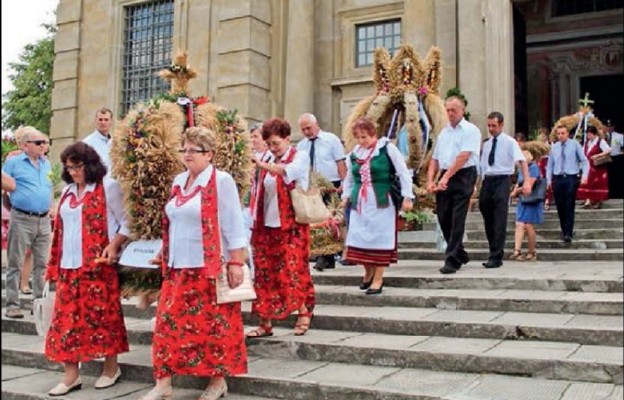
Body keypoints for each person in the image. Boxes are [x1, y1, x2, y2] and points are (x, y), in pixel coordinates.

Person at [138, 127, 248, 400]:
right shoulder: (179, 181)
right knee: (166, 326)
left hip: (208, 267)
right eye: (184, 149)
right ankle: (163, 385)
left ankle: (217, 382)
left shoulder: (221, 181)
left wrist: (236, 262)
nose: (187, 155)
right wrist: (164, 250)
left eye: (193, 150)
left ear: (209, 154)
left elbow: (234, 224)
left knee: (213, 327)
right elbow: (175, 221)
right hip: (177, 267)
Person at [44, 142, 129, 396]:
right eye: (69, 168)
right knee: (66, 322)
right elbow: (60, 230)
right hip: (69, 268)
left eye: (77, 166)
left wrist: (114, 245)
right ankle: (71, 376)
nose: (73, 172)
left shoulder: (108, 188)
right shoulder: (68, 191)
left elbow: (128, 221)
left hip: (98, 267)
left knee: (105, 318)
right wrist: (52, 263)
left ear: (89, 165)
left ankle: (111, 368)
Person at [247, 117, 315, 338]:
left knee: (291, 270)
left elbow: (287, 172)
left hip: (291, 226)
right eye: (269, 144)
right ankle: (264, 321)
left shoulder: (299, 156)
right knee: (265, 273)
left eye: (276, 143)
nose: (272, 148)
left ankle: (303, 311)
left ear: (287, 138)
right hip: (267, 225)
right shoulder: (267, 157)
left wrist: (262, 164)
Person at [341, 117, 414, 294]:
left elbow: (403, 173)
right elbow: (350, 178)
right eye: (358, 137)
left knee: (379, 237)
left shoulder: (387, 148)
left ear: (373, 134)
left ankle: (378, 278)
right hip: (360, 202)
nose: (361, 141)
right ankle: (368, 272)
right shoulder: (354, 154)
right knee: (360, 237)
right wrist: (345, 196)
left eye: (364, 137)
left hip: (382, 200)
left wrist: (407, 197)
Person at [2, 126, 54, 319]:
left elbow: (49, 186)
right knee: (15, 262)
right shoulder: (14, 162)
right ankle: (12, 304)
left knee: (42, 264)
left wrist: (51, 206)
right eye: (38, 143)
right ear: (25, 145)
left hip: (43, 219)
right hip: (22, 217)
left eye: (45, 143)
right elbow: (4, 185)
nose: (43, 146)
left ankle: (39, 304)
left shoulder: (46, 164)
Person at [426, 96, 481, 274]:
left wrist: (446, 177)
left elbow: (463, 156)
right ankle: (460, 252)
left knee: (458, 216)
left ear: (462, 111)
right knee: (443, 216)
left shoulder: (470, 130)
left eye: (453, 110)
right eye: (448, 110)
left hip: (463, 174)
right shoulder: (444, 132)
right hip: (446, 174)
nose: (450, 113)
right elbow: (435, 158)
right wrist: (430, 180)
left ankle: (451, 259)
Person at [478, 112, 530, 269]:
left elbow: (521, 161)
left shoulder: (509, 142)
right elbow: (482, 166)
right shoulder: (486, 144)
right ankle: (492, 248)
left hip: (502, 179)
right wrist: (477, 183)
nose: (491, 129)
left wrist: (526, 181)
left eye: (494, 126)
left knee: (499, 217)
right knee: (487, 214)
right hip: (488, 180)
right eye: (489, 126)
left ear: (501, 125)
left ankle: (496, 255)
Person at [297, 113, 347, 271]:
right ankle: (324, 256)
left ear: (316, 124)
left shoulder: (331, 139)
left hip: (331, 184)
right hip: (312, 187)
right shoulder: (301, 146)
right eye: (303, 129)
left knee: (330, 220)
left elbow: (340, 162)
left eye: (308, 128)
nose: (306, 132)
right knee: (317, 220)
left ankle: (328, 255)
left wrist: (345, 182)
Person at [546, 125, 589, 244]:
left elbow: (584, 161)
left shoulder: (574, 144)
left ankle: (568, 233)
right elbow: (550, 165)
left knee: (569, 204)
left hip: (571, 177)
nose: (560, 136)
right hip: (558, 178)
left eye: (562, 133)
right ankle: (564, 229)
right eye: (558, 133)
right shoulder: (554, 147)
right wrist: (549, 181)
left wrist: (584, 175)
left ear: (568, 133)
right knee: (560, 205)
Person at [509, 150, 544, 261]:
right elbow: (518, 183)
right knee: (519, 223)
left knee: (529, 225)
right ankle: (517, 250)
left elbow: (529, 184)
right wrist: (515, 191)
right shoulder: (521, 169)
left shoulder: (533, 168)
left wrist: (516, 192)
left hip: (532, 200)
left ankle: (531, 251)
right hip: (523, 200)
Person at [577, 126, 611, 209]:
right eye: (587, 134)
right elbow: (582, 152)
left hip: (597, 167)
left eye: (590, 134)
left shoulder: (600, 141)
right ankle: (588, 200)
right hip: (588, 167)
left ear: (594, 134)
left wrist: (598, 155)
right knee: (588, 183)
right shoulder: (587, 143)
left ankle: (598, 201)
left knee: (597, 184)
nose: (588, 136)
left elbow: (609, 150)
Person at [605, 120, 624, 199]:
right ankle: (606, 194)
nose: (609, 128)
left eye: (610, 126)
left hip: (615, 158)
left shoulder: (619, 136)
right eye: (607, 126)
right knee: (606, 177)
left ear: (613, 127)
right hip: (605, 159)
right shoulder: (602, 136)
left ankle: (616, 194)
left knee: (616, 177)